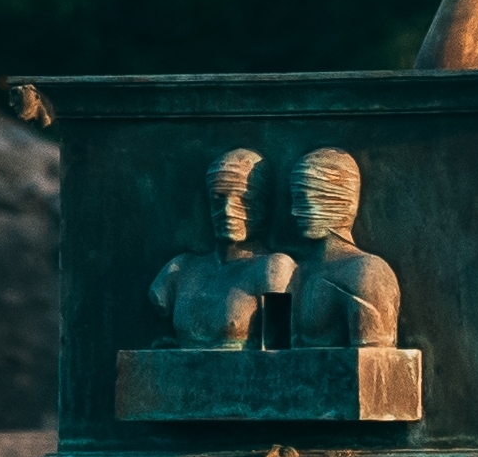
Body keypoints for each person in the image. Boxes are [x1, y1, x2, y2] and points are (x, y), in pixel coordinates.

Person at [152, 147, 294, 349]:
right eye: (219, 198)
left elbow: (277, 353)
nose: (227, 210)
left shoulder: (273, 268)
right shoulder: (178, 270)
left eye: (243, 200)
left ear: (263, 204)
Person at [289, 148, 403, 348]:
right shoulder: (291, 273)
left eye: (303, 198)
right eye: (294, 198)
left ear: (339, 197)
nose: (294, 211)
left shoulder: (367, 273)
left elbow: (375, 366)